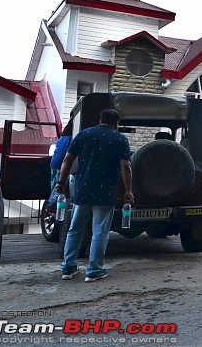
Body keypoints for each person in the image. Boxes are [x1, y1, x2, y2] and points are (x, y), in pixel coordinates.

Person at [54, 109, 134, 282]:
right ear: (116, 123)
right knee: (100, 231)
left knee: (75, 229)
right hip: (106, 192)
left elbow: (67, 159)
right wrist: (128, 190)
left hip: (82, 189)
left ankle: (68, 268)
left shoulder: (84, 135)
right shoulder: (120, 139)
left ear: (100, 119)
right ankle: (94, 270)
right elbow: (126, 167)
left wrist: (60, 182)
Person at [48, 122, 73, 211]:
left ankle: (51, 207)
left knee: (54, 186)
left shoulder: (62, 138)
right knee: (60, 189)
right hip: (62, 164)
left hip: (54, 163)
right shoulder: (72, 138)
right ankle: (56, 208)